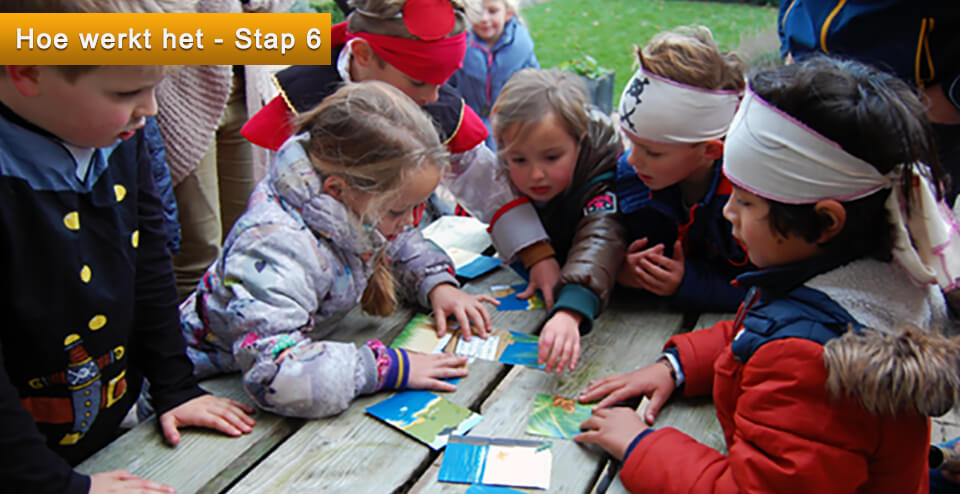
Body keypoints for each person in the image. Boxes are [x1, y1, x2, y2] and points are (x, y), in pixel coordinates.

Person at [575, 56, 958, 492]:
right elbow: (763, 333)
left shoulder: (813, 363)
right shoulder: (865, 275)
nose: (727, 211)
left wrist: (641, 445)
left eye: (746, 201)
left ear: (825, 221)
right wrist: (677, 366)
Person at [0, 5, 256, 494]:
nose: (151, 110)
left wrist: (173, 385)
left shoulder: (119, 136)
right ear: (29, 70)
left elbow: (149, 261)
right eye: (127, 93)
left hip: (104, 435)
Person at [181, 82, 496, 418]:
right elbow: (277, 375)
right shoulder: (275, 247)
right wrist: (388, 367)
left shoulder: (345, 203)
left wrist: (437, 283)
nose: (412, 221)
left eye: (418, 207)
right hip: (203, 386)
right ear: (338, 190)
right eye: (398, 210)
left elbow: (396, 241)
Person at [241, 0, 563, 315]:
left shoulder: (430, 101)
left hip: (390, 286)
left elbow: (483, 181)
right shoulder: (304, 111)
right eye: (420, 81)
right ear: (363, 55)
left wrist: (535, 253)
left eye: (443, 81)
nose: (433, 98)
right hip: (303, 300)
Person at [157, 0, 295, 302]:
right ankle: (188, 346)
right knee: (199, 253)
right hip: (181, 89)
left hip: (243, 79)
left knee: (246, 240)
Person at [490, 68, 625, 373]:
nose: (536, 174)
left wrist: (570, 310)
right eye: (519, 160)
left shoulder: (600, 180)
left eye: (552, 158)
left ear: (580, 142)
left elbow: (601, 235)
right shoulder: (503, 176)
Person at [614, 26, 752, 312]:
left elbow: (769, 290)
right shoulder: (632, 179)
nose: (632, 160)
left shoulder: (751, 204)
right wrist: (619, 270)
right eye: (631, 143)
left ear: (711, 151)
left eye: (653, 152)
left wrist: (688, 283)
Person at [777, 0, 960, 204]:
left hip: (910, 114)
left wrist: (950, 96)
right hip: (808, 92)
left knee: (905, 228)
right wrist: (789, 45)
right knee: (796, 221)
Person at [448, 0, 538, 150]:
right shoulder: (457, 46)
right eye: (477, 12)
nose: (484, 18)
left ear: (508, 13)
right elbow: (447, 86)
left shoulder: (521, 47)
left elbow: (534, 86)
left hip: (511, 126)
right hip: (467, 127)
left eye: (492, 11)